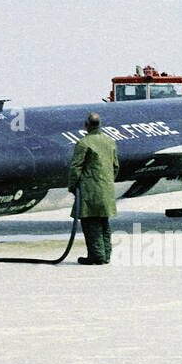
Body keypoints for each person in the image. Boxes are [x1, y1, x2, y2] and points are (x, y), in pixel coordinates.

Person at [69, 113, 119, 265]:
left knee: (91, 222)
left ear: (87, 125)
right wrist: (107, 182)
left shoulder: (84, 143)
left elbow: (76, 168)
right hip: (106, 188)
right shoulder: (110, 141)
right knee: (104, 222)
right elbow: (115, 166)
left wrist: (72, 185)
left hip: (89, 189)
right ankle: (105, 255)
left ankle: (97, 256)